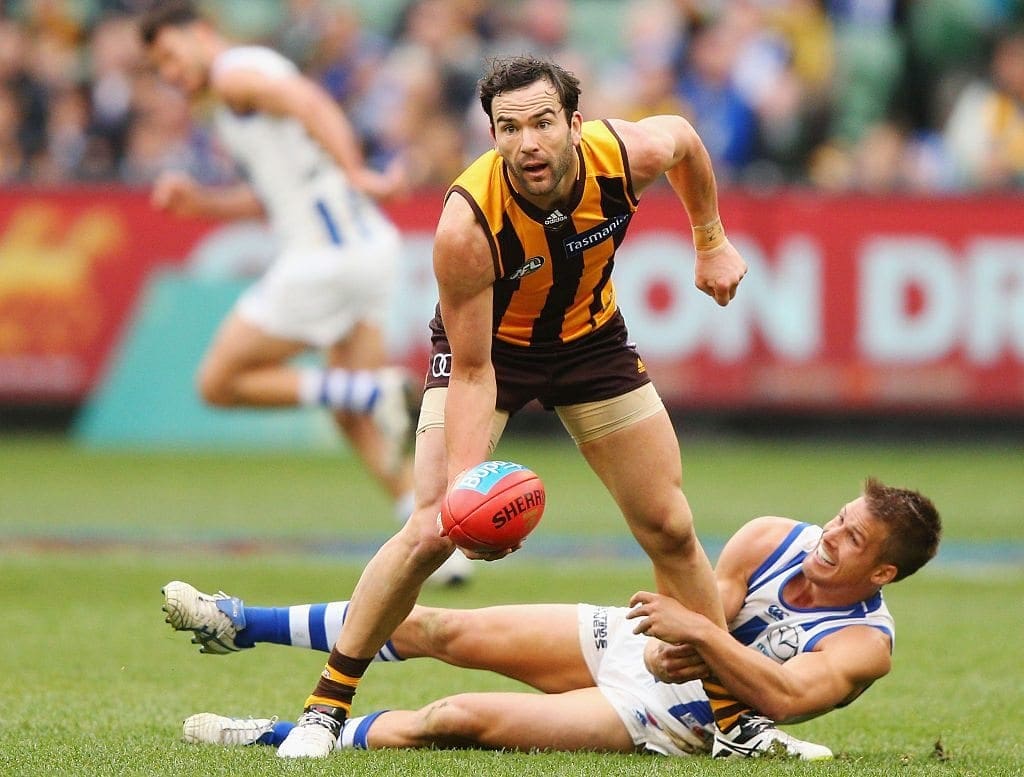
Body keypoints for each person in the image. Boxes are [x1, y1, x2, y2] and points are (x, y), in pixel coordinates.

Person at [260, 54, 751, 757]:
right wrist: (467, 496)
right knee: (430, 528)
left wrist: (711, 239)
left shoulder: (625, 154)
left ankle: (735, 717)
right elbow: (472, 369)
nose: (527, 143)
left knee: (670, 525)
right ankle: (325, 706)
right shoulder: (466, 225)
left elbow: (686, 143)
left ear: (575, 125)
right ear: (492, 134)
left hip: (591, 341)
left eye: (543, 122)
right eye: (508, 127)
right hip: (490, 352)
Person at [162, 478, 942, 760]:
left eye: (851, 541)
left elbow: (781, 694)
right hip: (646, 647)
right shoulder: (777, 537)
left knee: (454, 716)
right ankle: (241, 621)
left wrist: (698, 641)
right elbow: (715, 608)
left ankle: (267, 731)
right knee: (438, 627)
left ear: (883, 573)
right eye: (837, 519)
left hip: (669, 719)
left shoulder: (865, 645)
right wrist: (689, 635)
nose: (826, 539)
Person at [137, 2, 477, 583]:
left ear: (200, 34)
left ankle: (373, 390)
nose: (169, 73)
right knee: (353, 414)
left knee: (218, 382)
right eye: (159, 66)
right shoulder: (234, 89)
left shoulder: (233, 75)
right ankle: (438, 543)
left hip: (326, 258)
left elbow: (313, 103)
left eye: (169, 55)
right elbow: (279, 191)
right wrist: (205, 204)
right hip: (368, 249)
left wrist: (356, 172)